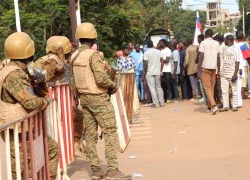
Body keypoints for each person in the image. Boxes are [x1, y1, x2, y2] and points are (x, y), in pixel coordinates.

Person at [71, 22, 131, 179]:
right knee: (110, 131)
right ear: (93, 38)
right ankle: (112, 170)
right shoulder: (93, 55)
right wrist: (113, 85)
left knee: (90, 134)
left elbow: (73, 82)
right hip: (98, 97)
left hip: (84, 98)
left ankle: (95, 170)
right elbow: (100, 79)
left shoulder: (74, 56)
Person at [0, 32, 59, 179]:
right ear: (28, 52)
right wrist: (46, 101)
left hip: (22, 127)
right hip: (16, 130)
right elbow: (30, 102)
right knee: (21, 169)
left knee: (48, 151)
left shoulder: (16, 71)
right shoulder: (14, 75)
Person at [32, 36, 86, 159]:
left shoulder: (54, 59)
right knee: (61, 125)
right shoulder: (52, 60)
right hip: (53, 100)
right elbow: (41, 77)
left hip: (58, 99)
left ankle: (73, 147)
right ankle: (71, 149)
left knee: (76, 117)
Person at [198, 29, 220, 115]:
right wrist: (218, 68)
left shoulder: (203, 43)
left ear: (205, 34)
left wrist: (198, 69)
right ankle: (209, 106)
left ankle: (214, 106)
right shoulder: (217, 43)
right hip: (214, 68)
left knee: (207, 88)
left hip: (205, 67)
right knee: (211, 88)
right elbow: (218, 57)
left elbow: (201, 56)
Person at [219, 35, 240, 112]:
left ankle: (234, 106)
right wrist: (220, 71)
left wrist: (235, 74)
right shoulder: (224, 48)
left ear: (229, 40)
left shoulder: (236, 49)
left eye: (225, 39)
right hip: (224, 73)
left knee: (234, 90)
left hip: (232, 73)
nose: (224, 41)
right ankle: (226, 106)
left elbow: (237, 62)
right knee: (224, 91)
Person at [143, 40, 165, 108]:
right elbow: (162, 61)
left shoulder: (146, 53)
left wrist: (145, 73)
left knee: (152, 88)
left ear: (147, 45)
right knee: (158, 87)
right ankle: (162, 102)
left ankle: (156, 103)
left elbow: (146, 64)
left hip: (149, 72)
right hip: (157, 71)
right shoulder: (158, 51)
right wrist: (161, 70)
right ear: (153, 44)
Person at [235, 30, 250, 105]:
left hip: (235, 66)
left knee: (235, 83)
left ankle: (236, 99)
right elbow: (248, 57)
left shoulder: (233, 44)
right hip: (243, 66)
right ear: (242, 37)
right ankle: (240, 99)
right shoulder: (243, 45)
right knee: (242, 83)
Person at [213, 34, 224, 108]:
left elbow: (219, 59)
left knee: (219, 87)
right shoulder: (221, 46)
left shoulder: (221, 47)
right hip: (220, 69)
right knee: (219, 87)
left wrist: (218, 71)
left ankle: (220, 102)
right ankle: (220, 101)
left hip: (220, 70)